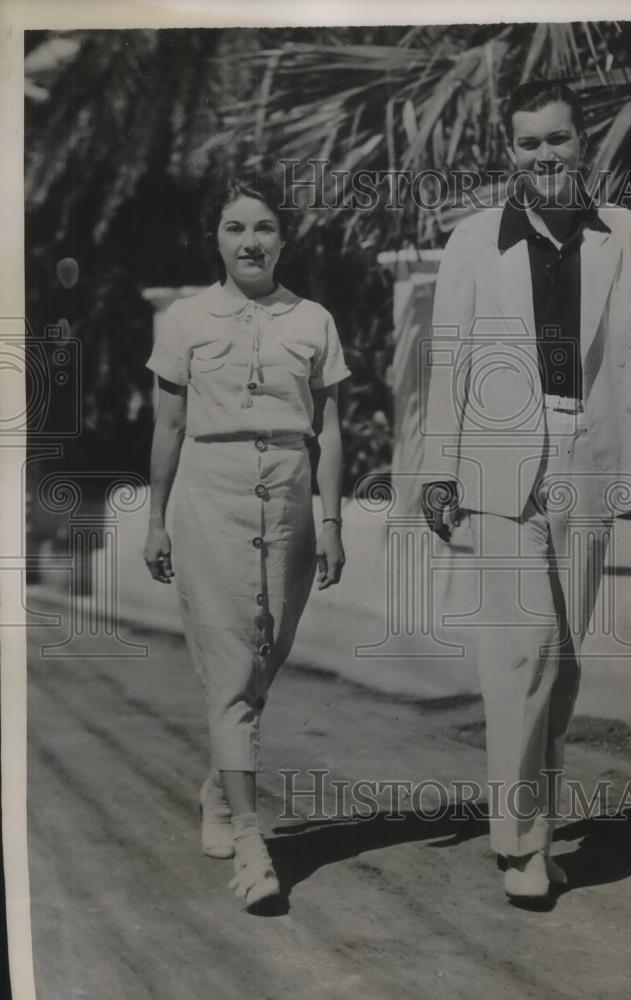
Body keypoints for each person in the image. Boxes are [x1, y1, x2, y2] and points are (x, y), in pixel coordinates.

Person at [421, 82, 631, 902]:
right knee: (521, 649)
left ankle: (535, 818)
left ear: (584, 143)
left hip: (589, 458)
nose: (545, 155)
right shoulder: (474, 242)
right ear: (512, 151)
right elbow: (449, 360)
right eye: (530, 142)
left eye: (559, 140)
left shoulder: (626, 234)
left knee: (564, 661)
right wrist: (440, 468)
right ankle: (520, 844)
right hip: (502, 465)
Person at [143, 174, 351, 909]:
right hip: (211, 497)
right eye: (234, 228)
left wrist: (330, 521)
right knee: (232, 667)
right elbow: (167, 427)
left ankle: (216, 790)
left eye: (263, 227)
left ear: (284, 237)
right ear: (217, 239)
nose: (250, 241)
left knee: (264, 657)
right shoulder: (185, 319)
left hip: (290, 501)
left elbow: (326, 430)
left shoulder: (314, 321)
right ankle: (253, 844)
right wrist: (154, 518)